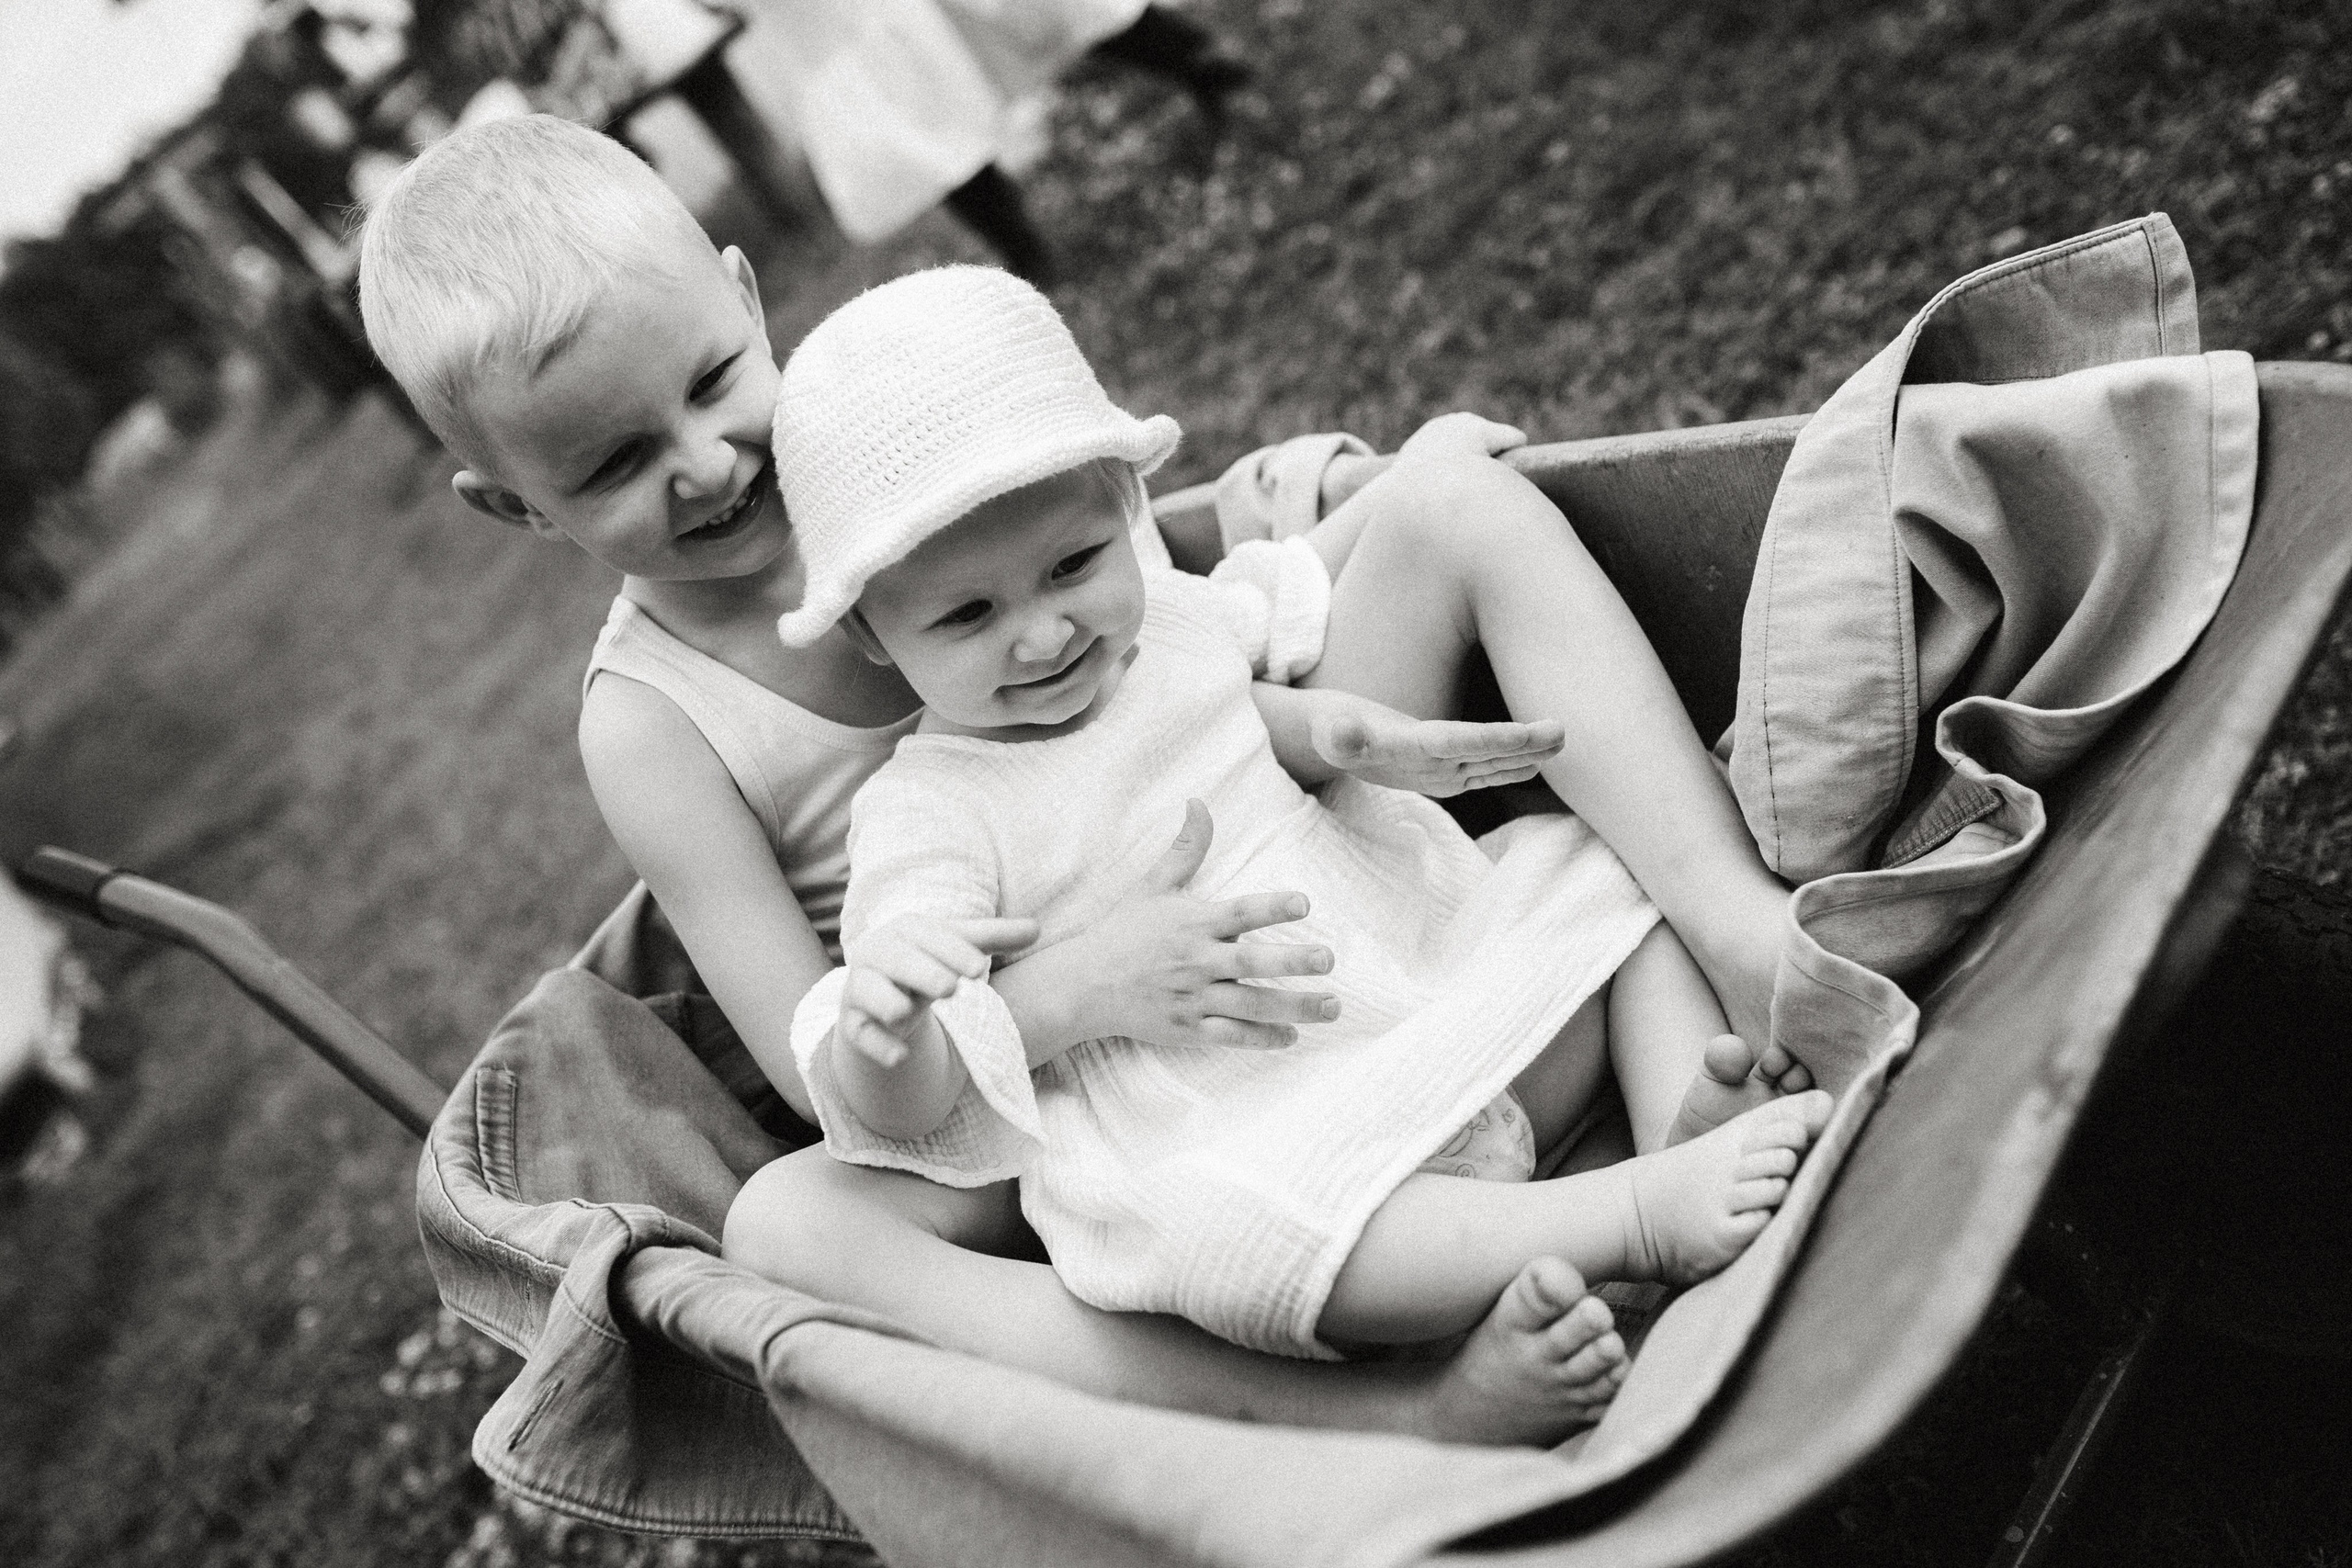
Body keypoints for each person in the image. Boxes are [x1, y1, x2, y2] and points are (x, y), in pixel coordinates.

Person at [356, 114, 1790, 1441]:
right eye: (613, 464)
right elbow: (822, 1052)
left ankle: (1737, 930)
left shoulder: (885, 417)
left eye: (717, 380)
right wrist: (1067, 992)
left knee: (1454, 499)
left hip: (1251, 831)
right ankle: (1345, 1422)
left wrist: (1295, 508)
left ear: (744, 293)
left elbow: (1129, 579)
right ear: (513, 506)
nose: (707, 460)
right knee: (790, 1225)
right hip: (1022, 1060)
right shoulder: (651, 727)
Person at [759, 265, 1831, 1359]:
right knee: (1225, 1238)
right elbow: (910, 1097)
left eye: (1073, 565)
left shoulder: (1168, 625)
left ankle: (1680, 1122)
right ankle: (1633, 1217)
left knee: (1598, 876)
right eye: (969, 615)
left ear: (1126, 508)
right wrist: (887, 1038)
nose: (1044, 635)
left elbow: (1293, 573)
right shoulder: (928, 813)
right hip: (1257, 1121)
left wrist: (1411, 479)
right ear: (873, 638)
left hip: (1437, 991)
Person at [729, 0, 1251, 282]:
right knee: (920, 127)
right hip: (842, 24)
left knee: (1044, 10)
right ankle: (1025, 254)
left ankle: (1204, 66)